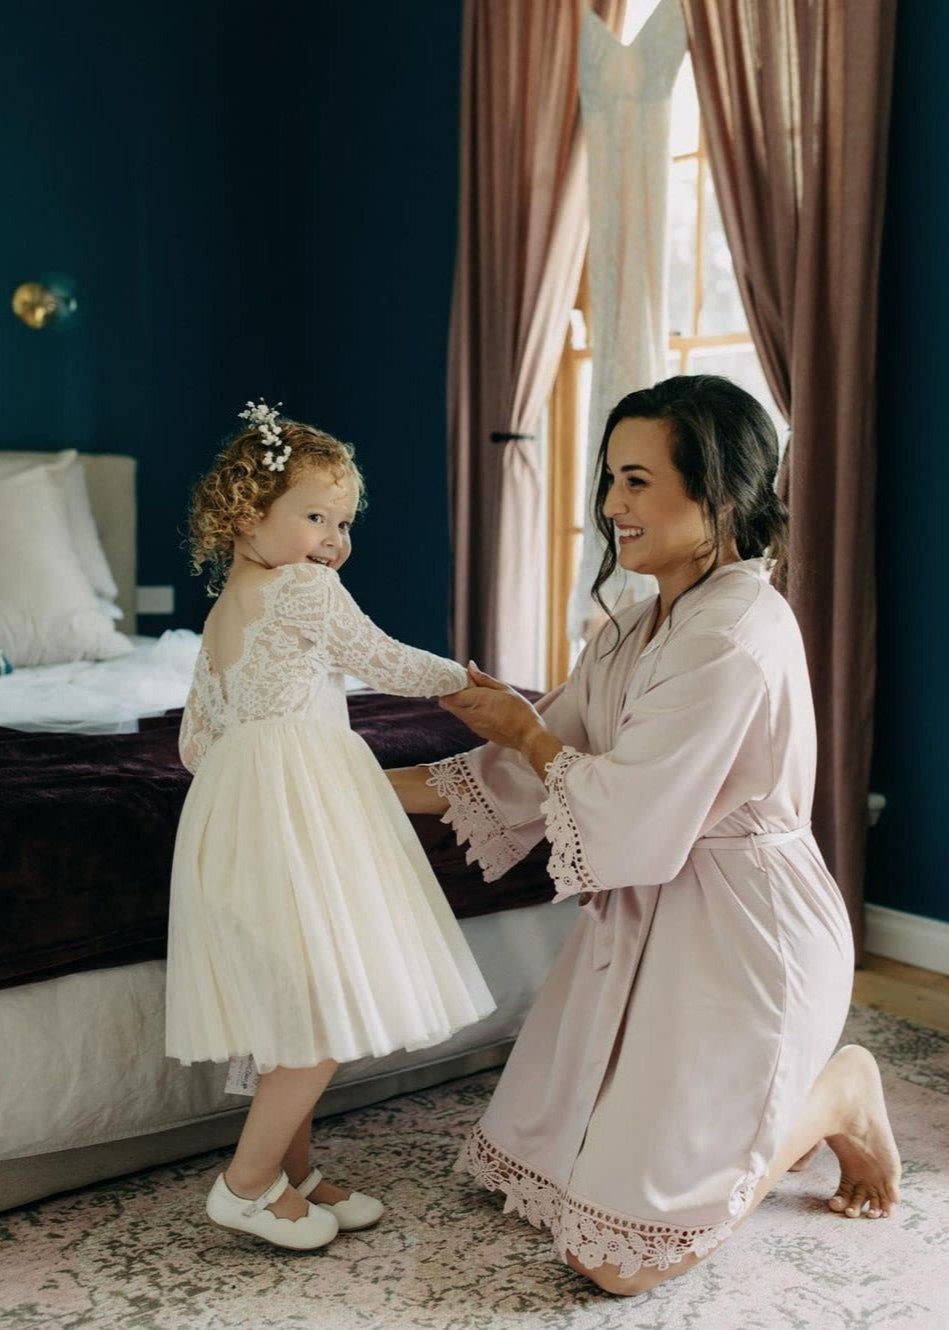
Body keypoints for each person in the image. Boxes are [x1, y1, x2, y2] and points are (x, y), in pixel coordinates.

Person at [388, 375, 900, 1296]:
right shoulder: (630, 630)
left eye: (635, 482)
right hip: (653, 923)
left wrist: (526, 730)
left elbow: (616, 806)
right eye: (609, 481)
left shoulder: (733, 634)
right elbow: (513, 778)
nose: (610, 507)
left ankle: (836, 1092)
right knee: (533, 1168)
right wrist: (329, 781)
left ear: (723, 496)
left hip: (746, 943)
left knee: (612, 1262)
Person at [166, 401, 495, 1251]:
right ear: (248, 515)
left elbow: (195, 742)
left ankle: (290, 1174)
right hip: (297, 808)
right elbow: (380, 657)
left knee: (292, 1001)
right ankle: (242, 1184)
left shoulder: (216, 619)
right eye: (314, 517)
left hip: (234, 815)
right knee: (320, 1006)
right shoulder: (307, 590)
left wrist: (251, 779)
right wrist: (462, 681)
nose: (332, 539)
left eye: (342, 523)